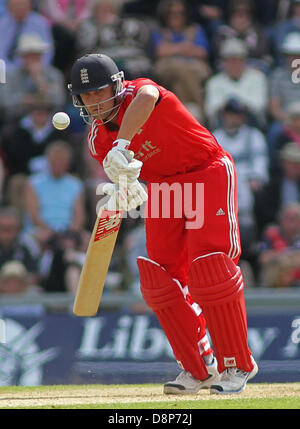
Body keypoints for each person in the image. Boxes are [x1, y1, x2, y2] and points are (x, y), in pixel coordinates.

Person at [68, 52, 258, 395]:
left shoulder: (140, 92)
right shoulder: (98, 141)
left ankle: (237, 364)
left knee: (210, 268)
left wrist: (123, 145)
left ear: (117, 85)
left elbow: (147, 97)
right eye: (86, 95)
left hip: (206, 173)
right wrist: (123, 189)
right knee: (158, 279)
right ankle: (198, 369)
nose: (94, 102)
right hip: (165, 187)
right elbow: (128, 179)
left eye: (100, 91)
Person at [151, 0, 211, 120]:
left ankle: (181, 114)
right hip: (168, 66)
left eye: (180, 13)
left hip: (194, 66)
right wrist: (184, 47)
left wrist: (173, 48)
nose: (176, 16)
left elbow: (202, 52)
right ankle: (201, 109)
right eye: (172, 13)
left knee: (180, 78)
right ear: (165, 15)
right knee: (179, 68)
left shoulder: (196, 29)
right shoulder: (160, 31)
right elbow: (160, 52)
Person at [205, 38, 268, 129]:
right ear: (224, 62)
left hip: (250, 124)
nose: (234, 63)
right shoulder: (214, 82)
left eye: (238, 59)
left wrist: (239, 106)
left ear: (244, 60)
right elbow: (211, 109)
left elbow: (259, 105)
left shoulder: (258, 77)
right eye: (230, 60)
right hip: (223, 126)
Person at [0, 0, 54, 70]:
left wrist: (38, 68)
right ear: (8, 7)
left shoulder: (41, 23)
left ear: (30, 6)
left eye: (21, 5)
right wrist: (9, 69)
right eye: (15, 6)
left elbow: (47, 52)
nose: (19, 8)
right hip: (6, 69)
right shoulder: (2, 24)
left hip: (34, 68)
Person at [258, 202, 300, 288]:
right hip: (275, 280)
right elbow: (263, 258)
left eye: (295, 218)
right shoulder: (271, 234)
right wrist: (286, 257)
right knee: (281, 264)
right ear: (281, 220)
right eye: (288, 217)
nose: (291, 221)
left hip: (297, 278)